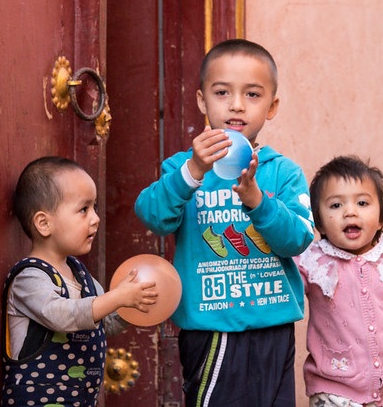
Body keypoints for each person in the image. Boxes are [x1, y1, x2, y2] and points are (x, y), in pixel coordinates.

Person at [134, 38, 314, 406]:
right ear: (202, 100)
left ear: (272, 106)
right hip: (213, 331)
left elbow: (297, 239)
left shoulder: (282, 173)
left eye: (252, 94)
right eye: (221, 92)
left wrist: (257, 202)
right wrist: (193, 171)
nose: (236, 105)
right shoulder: (183, 168)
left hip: (274, 328)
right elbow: (153, 216)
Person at [1, 156, 158, 407]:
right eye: (84, 209)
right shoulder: (30, 278)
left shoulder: (81, 275)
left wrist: (132, 306)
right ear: (44, 223)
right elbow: (62, 315)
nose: (95, 218)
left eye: (94, 208)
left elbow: (102, 322)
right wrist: (116, 297)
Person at [295, 155, 383, 407]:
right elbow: (286, 284)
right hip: (332, 390)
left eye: (362, 203)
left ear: (381, 218)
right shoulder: (313, 262)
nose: (350, 211)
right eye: (336, 206)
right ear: (319, 223)